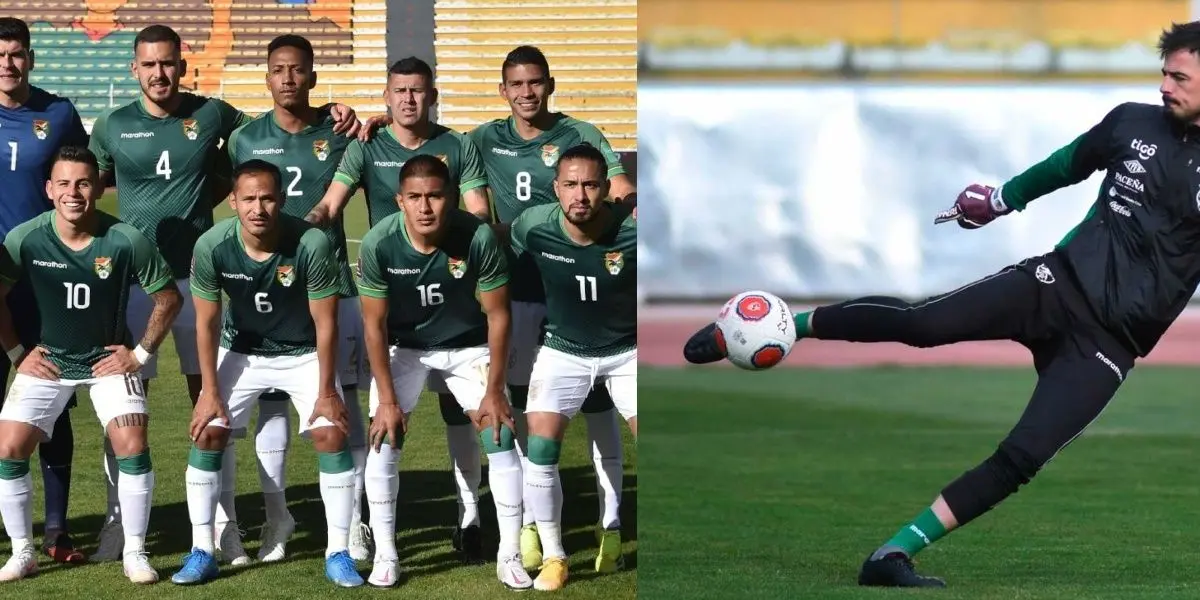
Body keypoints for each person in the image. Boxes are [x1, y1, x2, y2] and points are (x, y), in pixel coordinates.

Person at [681, 19, 1200, 590]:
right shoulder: (1132, 122)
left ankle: (890, 555)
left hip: (1109, 345)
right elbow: (1067, 164)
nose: (1165, 85)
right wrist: (1000, 200)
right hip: (1052, 286)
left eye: (1179, 76)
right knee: (923, 323)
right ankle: (789, 324)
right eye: (1164, 73)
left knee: (1021, 458)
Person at [87, 23, 361, 563]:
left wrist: (339, 111)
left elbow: (272, 128)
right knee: (121, 403)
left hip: (199, 280)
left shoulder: (213, 115)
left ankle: (225, 528)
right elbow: (86, 194)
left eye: (168, 62)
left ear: (182, 65)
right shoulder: (111, 125)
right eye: (149, 64)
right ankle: (118, 523)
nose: (160, 72)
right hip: (131, 283)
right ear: (134, 69)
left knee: (210, 407)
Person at [307, 55, 494, 562]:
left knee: (462, 413)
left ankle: (470, 512)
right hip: (390, 303)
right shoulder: (366, 145)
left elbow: (478, 212)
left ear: (432, 95)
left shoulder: (458, 146)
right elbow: (331, 204)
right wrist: (300, 227)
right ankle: (367, 523)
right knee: (382, 416)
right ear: (386, 98)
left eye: (418, 90)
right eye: (400, 91)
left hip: (455, 298)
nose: (409, 99)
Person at [469, 44, 635, 573]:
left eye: (535, 82)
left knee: (600, 409)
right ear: (503, 91)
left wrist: (606, 229)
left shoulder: (581, 136)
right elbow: (447, 165)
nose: (526, 93)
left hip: (587, 290)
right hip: (518, 295)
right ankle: (530, 526)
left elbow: (624, 191)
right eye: (516, 85)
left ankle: (609, 520)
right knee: (522, 408)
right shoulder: (483, 139)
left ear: (550, 84)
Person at [174, 159, 361, 587]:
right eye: (248, 199)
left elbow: (326, 323)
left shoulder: (311, 242)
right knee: (209, 431)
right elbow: (205, 322)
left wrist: (327, 390)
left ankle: (339, 552)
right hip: (242, 351)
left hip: (303, 352)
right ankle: (202, 549)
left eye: (267, 197)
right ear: (233, 202)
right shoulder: (212, 245)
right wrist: (208, 390)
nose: (258, 207)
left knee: (330, 432)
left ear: (283, 199)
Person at [0, 145, 183, 584]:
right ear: (49, 189)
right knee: (8, 448)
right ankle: (24, 552)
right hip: (49, 363)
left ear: (99, 187)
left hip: (108, 363)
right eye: (63, 183)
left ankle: (135, 552)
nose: (73, 192)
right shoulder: (24, 237)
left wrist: (138, 355)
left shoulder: (125, 239)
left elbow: (169, 298)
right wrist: (17, 355)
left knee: (133, 444)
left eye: (83, 183)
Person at [225, 33, 370, 564]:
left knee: (342, 400)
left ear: (312, 76)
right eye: (278, 69)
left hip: (330, 287)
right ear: (267, 77)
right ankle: (276, 517)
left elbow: (371, 142)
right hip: (267, 294)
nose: (288, 78)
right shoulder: (244, 138)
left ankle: (353, 521)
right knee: (271, 406)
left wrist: (363, 118)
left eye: (297, 70)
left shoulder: (337, 130)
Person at [357, 153, 531, 589]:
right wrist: (388, 401)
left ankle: (508, 553)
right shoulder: (378, 243)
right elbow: (374, 326)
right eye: (414, 197)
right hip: (405, 348)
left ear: (452, 198)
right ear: (399, 201)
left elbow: (498, 316)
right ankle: (386, 554)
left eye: (435, 196)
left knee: (500, 432)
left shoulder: (478, 238)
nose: (425, 207)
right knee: (383, 436)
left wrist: (494, 390)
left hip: (466, 345)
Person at [508, 143, 637, 591]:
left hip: (628, 352)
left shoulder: (636, 231)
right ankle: (555, 556)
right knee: (541, 448)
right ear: (555, 188)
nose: (579, 194)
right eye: (570, 184)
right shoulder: (532, 227)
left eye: (589, 184)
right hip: (562, 349)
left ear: (606, 189)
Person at [0, 16, 88, 564]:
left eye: (16, 53)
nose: (7, 63)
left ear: (31, 57)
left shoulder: (57, 113)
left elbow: (83, 177)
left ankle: (57, 530)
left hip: (44, 280)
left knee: (51, 403)